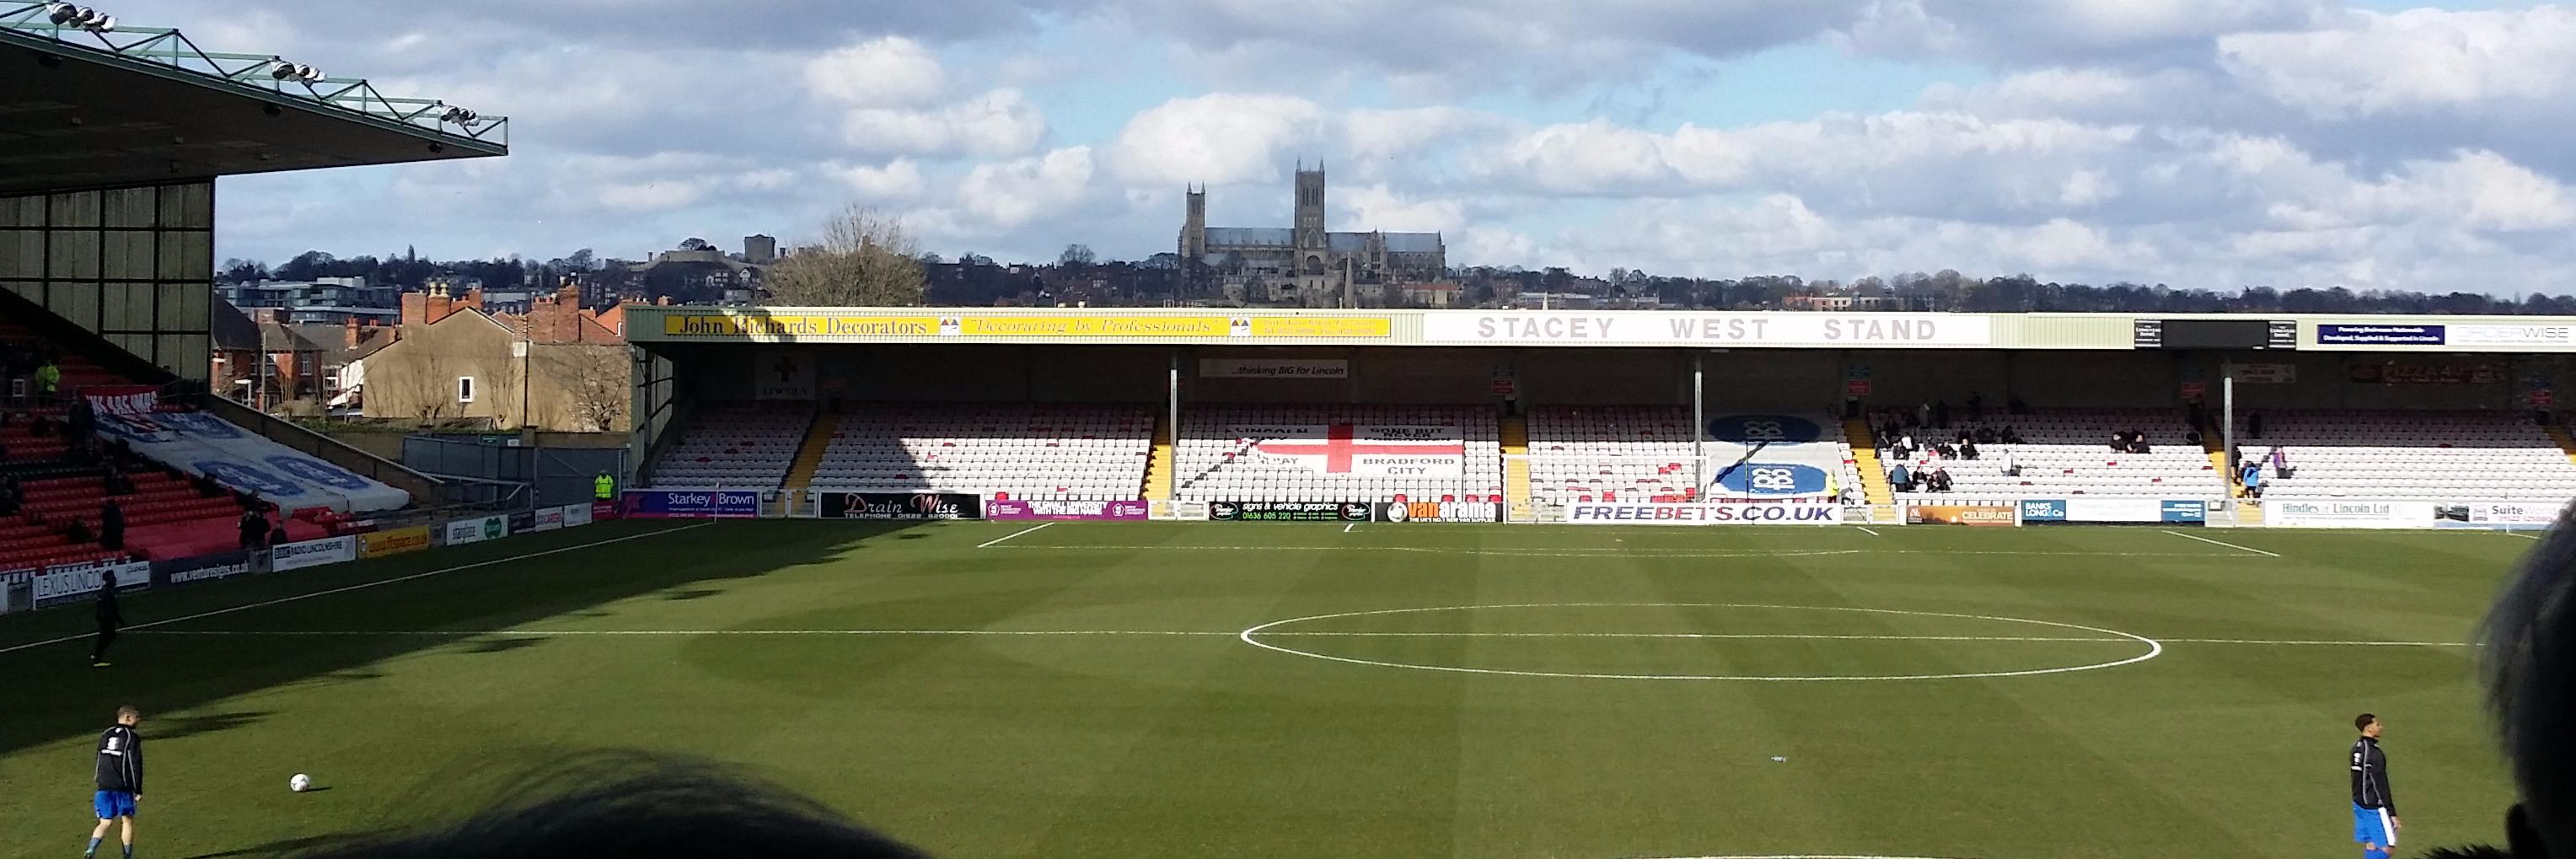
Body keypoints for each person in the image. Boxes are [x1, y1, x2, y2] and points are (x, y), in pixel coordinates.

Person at [87, 705, 142, 859]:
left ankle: (90, 850)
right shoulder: (132, 737)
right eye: (137, 717)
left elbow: (99, 756)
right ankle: (127, 856)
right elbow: (135, 764)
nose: (139, 721)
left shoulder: (106, 734)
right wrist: (138, 789)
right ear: (127, 718)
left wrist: (98, 777)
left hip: (103, 785)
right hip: (123, 787)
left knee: (104, 822)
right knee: (127, 820)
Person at [2351, 713, 2399, 859]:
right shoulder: (2374, 753)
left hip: (2359, 803)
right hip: (2374, 806)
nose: (2380, 727)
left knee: (2372, 843)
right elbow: (2380, 784)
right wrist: (2391, 812)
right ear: (2368, 728)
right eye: (2377, 725)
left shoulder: (2356, 748)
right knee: (2387, 846)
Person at [91, 567, 125, 667]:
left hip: (105, 618)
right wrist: (119, 620)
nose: (115, 580)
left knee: (104, 637)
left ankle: (97, 655)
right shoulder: (108, 592)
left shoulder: (105, 591)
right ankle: (98, 660)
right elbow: (112, 608)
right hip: (107, 618)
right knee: (109, 636)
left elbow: (99, 604)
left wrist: (98, 615)